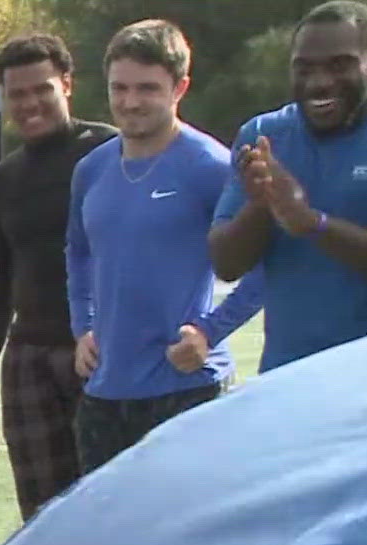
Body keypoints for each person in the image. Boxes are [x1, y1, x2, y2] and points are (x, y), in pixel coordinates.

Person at [67, 19, 264, 476]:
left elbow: (268, 264)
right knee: (114, 539)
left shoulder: (210, 166)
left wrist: (210, 332)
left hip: (186, 391)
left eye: (148, 89)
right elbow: (77, 253)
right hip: (103, 395)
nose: (131, 102)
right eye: (120, 88)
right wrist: (84, 326)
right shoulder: (91, 169)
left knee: (192, 541)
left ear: (180, 87)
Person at [0, 35, 118, 522]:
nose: (29, 103)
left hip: (100, 351)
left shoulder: (113, 152)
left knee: (112, 500)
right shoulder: (3, 182)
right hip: (28, 359)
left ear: (67, 85)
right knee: (43, 514)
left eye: (41, 89)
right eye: (17, 94)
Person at [210, 0, 367, 372]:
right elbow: (226, 264)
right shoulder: (263, 135)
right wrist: (263, 204)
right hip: (288, 380)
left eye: (339, 65)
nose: (319, 82)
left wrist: (312, 224)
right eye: (303, 68)